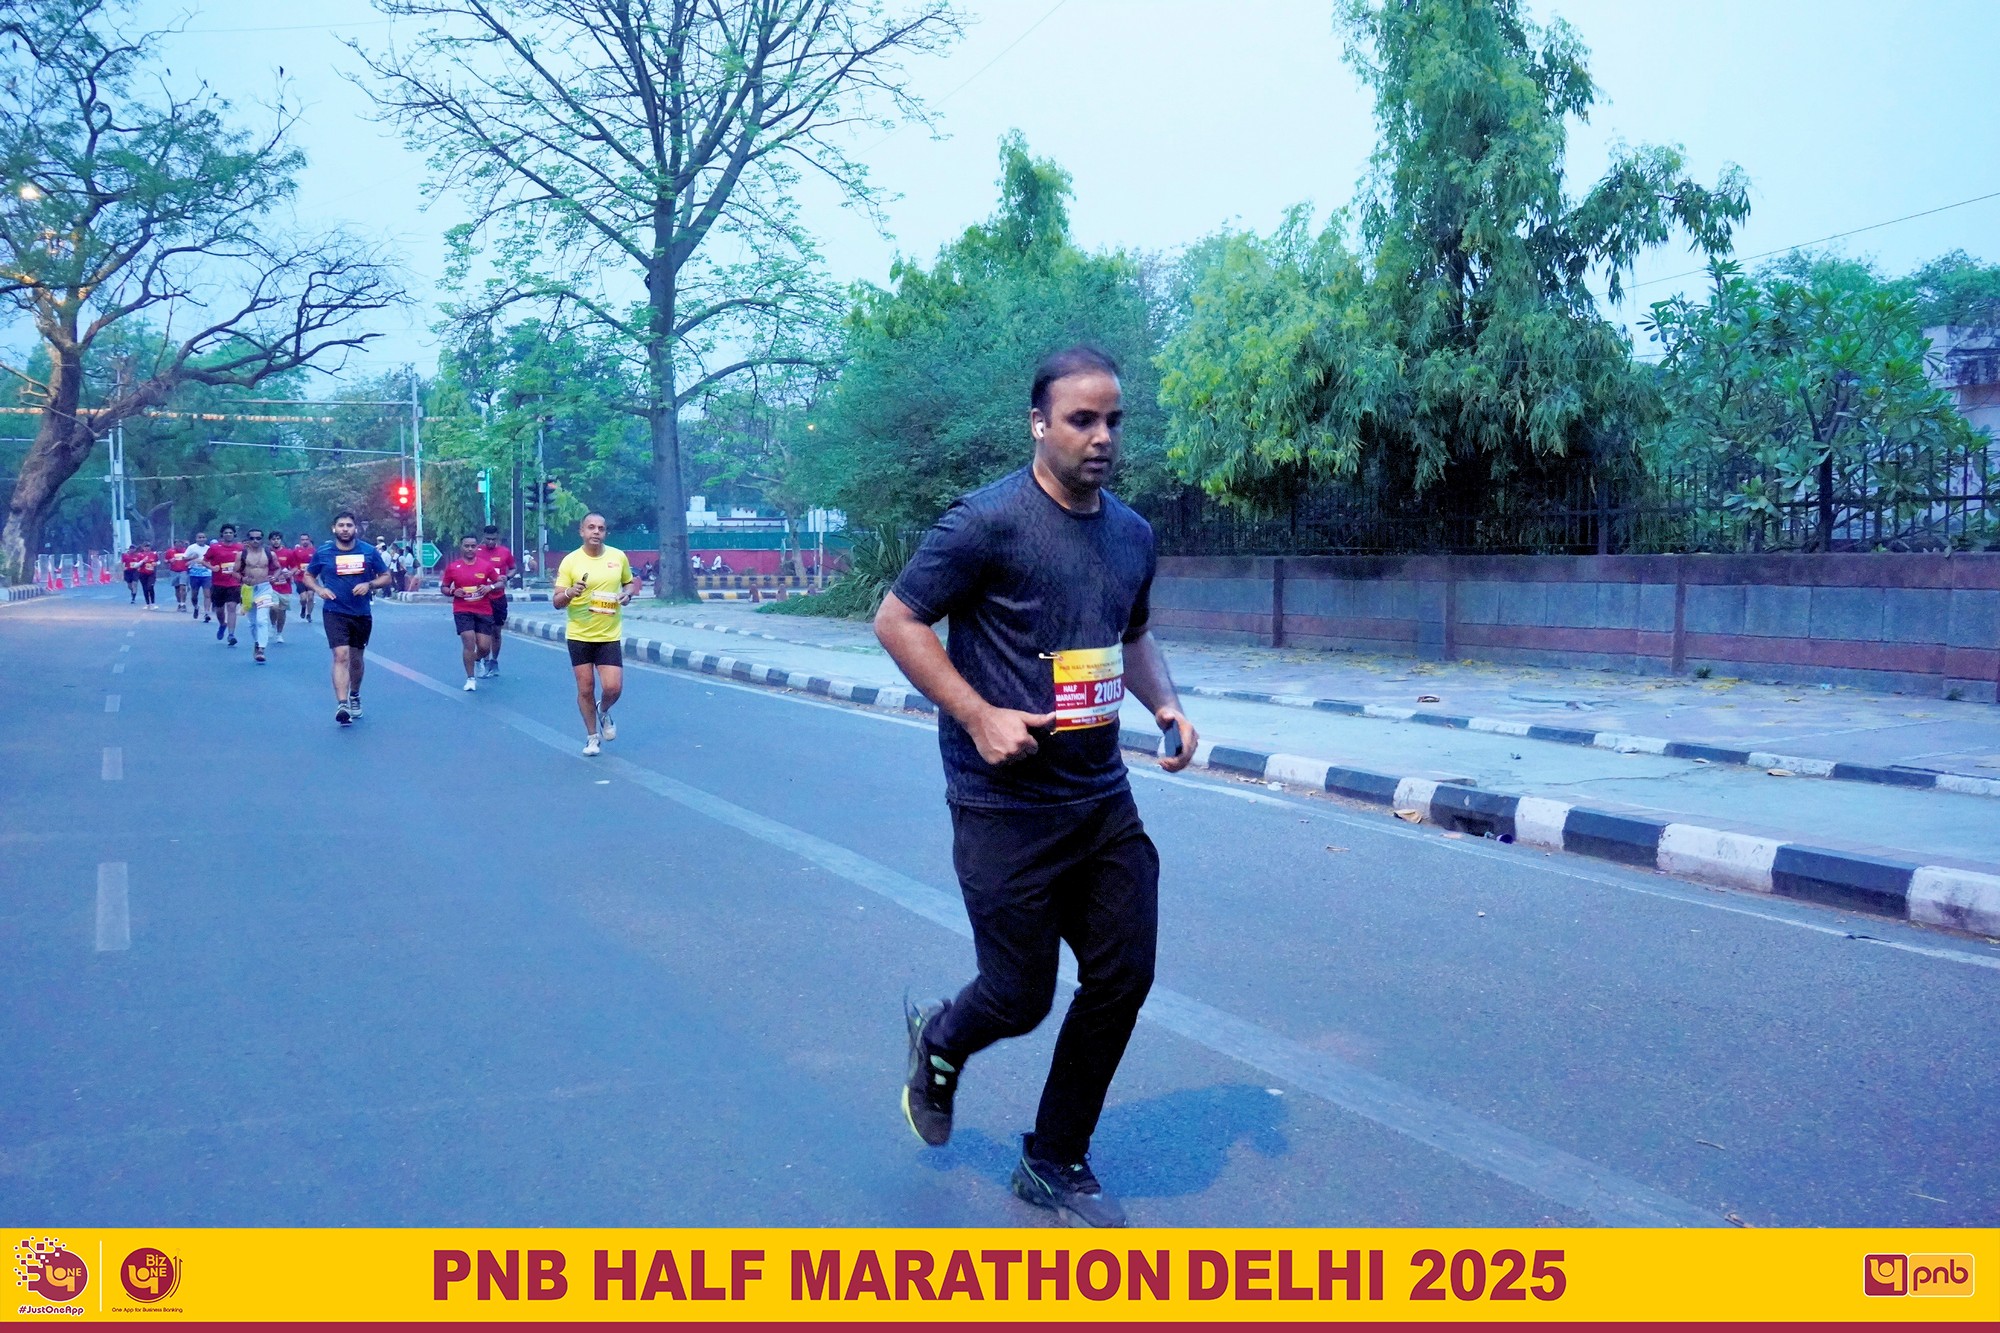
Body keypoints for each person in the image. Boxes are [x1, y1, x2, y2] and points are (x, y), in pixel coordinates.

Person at [873, 345, 1198, 1229]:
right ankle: (942, 1037)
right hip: (1003, 803)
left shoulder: (1131, 534)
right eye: (1081, 419)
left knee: (1122, 976)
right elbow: (898, 619)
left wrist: (1166, 705)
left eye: (1114, 420)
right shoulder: (985, 523)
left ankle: (1053, 1157)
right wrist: (979, 714)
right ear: (1039, 423)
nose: (1102, 437)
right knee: (1019, 996)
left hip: (1100, 798)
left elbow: (1133, 633)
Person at [552, 513, 637, 756]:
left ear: (605, 532)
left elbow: (629, 583)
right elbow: (556, 602)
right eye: (591, 527)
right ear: (582, 531)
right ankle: (592, 737)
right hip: (579, 634)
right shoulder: (571, 561)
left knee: (613, 688)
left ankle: (604, 709)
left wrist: (627, 594)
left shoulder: (617, 557)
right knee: (586, 688)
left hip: (608, 634)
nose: (596, 532)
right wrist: (570, 592)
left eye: (601, 528)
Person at [301, 513, 392, 725]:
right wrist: (319, 590)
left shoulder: (368, 551)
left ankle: (355, 694)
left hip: (361, 613)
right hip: (334, 610)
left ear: (355, 529)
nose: (345, 529)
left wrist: (369, 585)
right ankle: (342, 704)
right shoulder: (324, 552)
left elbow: (386, 576)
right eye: (341, 525)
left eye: (349, 525)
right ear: (334, 528)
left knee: (356, 659)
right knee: (341, 655)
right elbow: (308, 575)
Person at [440, 534, 502, 690]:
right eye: (466, 546)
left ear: (477, 548)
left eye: (473, 546)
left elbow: (500, 583)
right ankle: (470, 678)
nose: (469, 549)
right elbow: (444, 587)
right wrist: (453, 591)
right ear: (461, 547)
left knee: (484, 647)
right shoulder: (453, 567)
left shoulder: (486, 566)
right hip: (462, 609)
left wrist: (490, 587)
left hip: (483, 610)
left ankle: (476, 659)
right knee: (468, 640)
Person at [476, 524, 516, 678]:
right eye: (488, 539)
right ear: (483, 537)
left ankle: (494, 661)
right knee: (483, 632)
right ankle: (485, 661)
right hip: (481, 598)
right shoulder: (477, 552)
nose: (491, 542)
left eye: (493, 539)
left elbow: (513, 568)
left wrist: (508, 576)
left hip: (498, 598)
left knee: (496, 632)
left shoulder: (504, 552)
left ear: (497, 537)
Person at [205, 524, 245, 645]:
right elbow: (204, 561)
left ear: (234, 534)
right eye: (226, 533)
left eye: (230, 533)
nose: (228, 534)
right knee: (219, 609)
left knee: (232, 607)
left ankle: (231, 634)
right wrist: (212, 568)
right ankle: (222, 624)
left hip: (234, 583)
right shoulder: (215, 548)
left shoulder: (240, 548)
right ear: (222, 534)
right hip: (218, 583)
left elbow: (246, 562)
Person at [268, 527, 298, 643]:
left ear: (281, 540)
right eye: (273, 539)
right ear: (270, 540)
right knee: (273, 607)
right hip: (270, 586)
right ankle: (272, 624)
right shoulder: (266, 552)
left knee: (282, 611)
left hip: (284, 586)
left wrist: (290, 573)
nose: (276, 541)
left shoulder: (288, 552)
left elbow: (295, 567)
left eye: (278, 539)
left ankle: (279, 633)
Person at [184, 532, 212, 621]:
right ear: (196, 539)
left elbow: (214, 559)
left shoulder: (209, 548)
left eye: (203, 537)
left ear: (206, 539)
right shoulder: (191, 547)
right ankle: (196, 607)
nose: (201, 539)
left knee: (207, 594)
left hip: (206, 574)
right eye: (199, 537)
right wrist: (192, 558)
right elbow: (184, 558)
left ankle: (207, 613)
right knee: (194, 595)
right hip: (194, 574)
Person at [292, 533, 318, 622]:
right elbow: (293, 564)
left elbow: (317, 564)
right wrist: (295, 570)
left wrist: (317, 573)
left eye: (306, 539)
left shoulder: (314, 551)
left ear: (309, 540)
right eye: (303, 540)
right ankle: (303, 607)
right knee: (303, 598)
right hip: (300, 578)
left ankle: (309, 614)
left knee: (310, 596)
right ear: (300, 541)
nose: (305, 541)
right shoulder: (296, 551)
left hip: (311, 577)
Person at [166, 543, 190, 613]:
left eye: (180, 546)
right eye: (177, 546)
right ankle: (179, 603)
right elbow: (165, 560)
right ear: (175, 546)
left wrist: (189, 563)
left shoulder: (186, 551)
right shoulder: (170, 551)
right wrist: (170, 561)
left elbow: (190, 559)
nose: (179, 547)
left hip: (183, 571)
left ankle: (183, 604)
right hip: (174, 571)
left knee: (183, 587)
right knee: (177, 589)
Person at [136, 542, 159, 609]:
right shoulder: (140, 555)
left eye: (148, 546)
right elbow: (136, 565)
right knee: (145, 588)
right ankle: (147, 604)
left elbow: (158, 561)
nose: (147, 548)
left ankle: (153, 603)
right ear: (143, 548)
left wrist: (156, 563)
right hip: (142, 573)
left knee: (150, 587)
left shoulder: (154, 554)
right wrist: (142, 561)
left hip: (151, 574)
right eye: (145, 547)